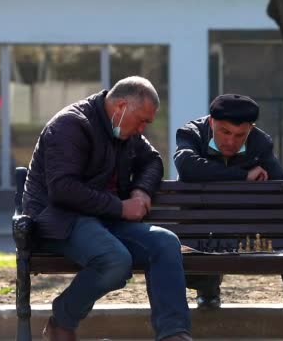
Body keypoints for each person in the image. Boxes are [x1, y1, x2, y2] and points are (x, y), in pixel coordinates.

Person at [22, 76, 192, 341]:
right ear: (122, 106)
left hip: (105, 218)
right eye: (142, 120)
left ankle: (173, 333)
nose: (142, 130)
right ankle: (61, 321)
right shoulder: (70, 125)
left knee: (166, 242)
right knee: (114, 260)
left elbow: (153, 162)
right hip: (60, 219)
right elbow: (63, 189)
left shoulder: (124, 129)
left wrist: (141, 191)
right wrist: (121, 208)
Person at [174, 93, 283, 341]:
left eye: (240, 135)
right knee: (192, 266)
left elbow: (281, 187)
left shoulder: (260, 142)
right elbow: (187, 166)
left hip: (244, 225)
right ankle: (209, 287)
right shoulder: (191, 134)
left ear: (250, 129)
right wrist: (242, 175)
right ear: (211, 122)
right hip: (200, 225)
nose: (231, 142)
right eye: (224, 132)